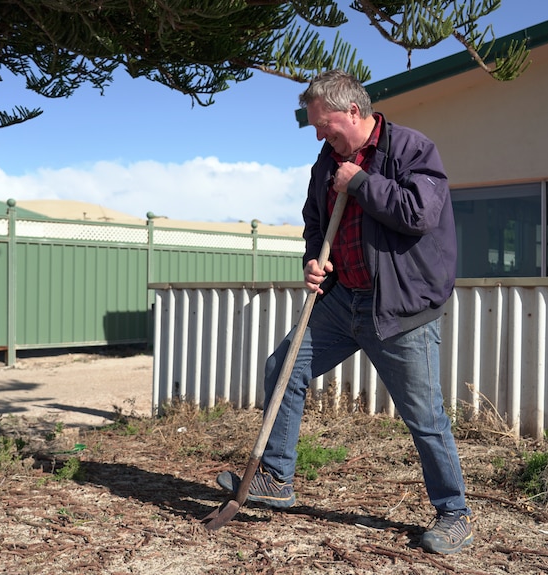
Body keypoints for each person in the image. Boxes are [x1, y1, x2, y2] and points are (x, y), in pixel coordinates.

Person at [216, 69, 473, 555]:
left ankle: (454, 513)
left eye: (324, 124)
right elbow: (316, 223)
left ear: (354, 111)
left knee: (424, 416)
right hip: (341, 301)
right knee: (284, 366)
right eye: (315, 127)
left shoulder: (411, 150)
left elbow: (419, 214)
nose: (318, 135)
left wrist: (362, 184)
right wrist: (316, 263)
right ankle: (277, 478)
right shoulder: (325, 163)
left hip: (399, 309)